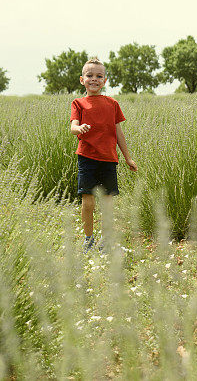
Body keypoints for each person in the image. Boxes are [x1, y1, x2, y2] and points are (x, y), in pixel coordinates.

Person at [70, 57, 138, 253]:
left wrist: (127, 157)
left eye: (99, 76)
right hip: (87, 158)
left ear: (105, 81)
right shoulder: (78, 103)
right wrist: (79, 129)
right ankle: (88, 239)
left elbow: (118, 133)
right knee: (88, 201)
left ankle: (107, 240)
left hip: (109, 159)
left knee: (107, 203)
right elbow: (73, 127)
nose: (94, 79)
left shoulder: (112, 104)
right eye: (89, 75)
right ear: (82, 79)